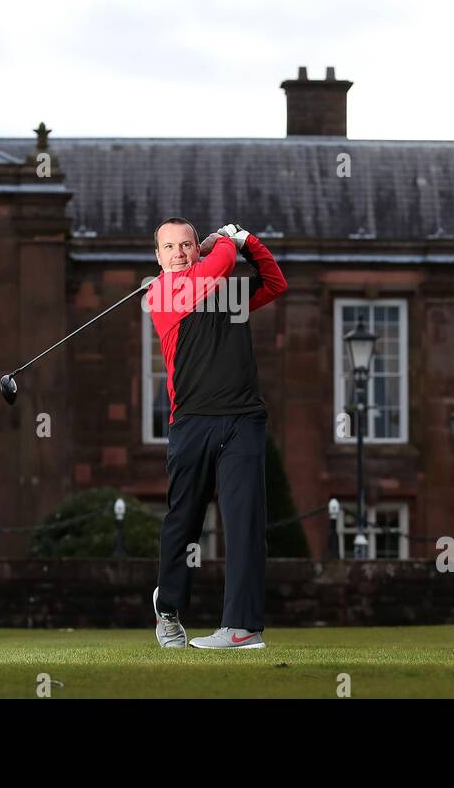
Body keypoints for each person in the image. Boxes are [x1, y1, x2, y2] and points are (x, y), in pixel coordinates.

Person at [147, 218, 287, 649]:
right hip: (191, 421)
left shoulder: (227, 292)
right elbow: (221, 262)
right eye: (168, 247)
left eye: (186, 245)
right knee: (183, 520)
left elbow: (275, 282)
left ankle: (242, 628)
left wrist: (249, 241)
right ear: (158, 257)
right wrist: (227, 240)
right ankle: (168, 609)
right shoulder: (162, 293)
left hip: (243, 419)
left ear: (194, 249)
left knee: (245, 523)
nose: (178, 253)